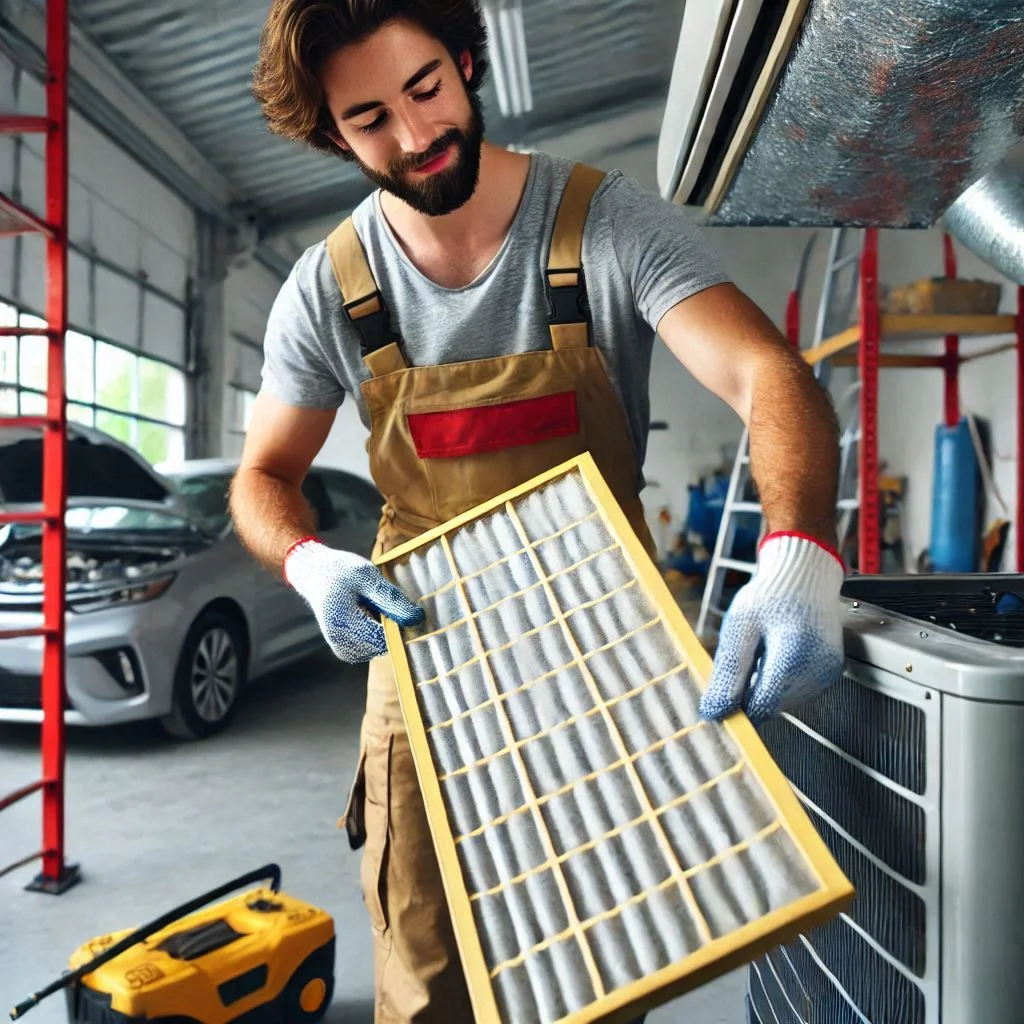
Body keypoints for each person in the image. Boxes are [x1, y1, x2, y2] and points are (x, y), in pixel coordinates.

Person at [231, 2, 845, 1020]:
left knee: (600, 963)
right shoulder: (327, 287)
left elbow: (765, 372)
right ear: (332, 134)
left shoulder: (606, 221)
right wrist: (307, 563)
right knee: (424, 968)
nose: (418, 135)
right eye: (371, 117)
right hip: (425, 660)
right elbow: (263, 476)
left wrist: (796, 554)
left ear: (466, 61)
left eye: (427, 88)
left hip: (602, 649)